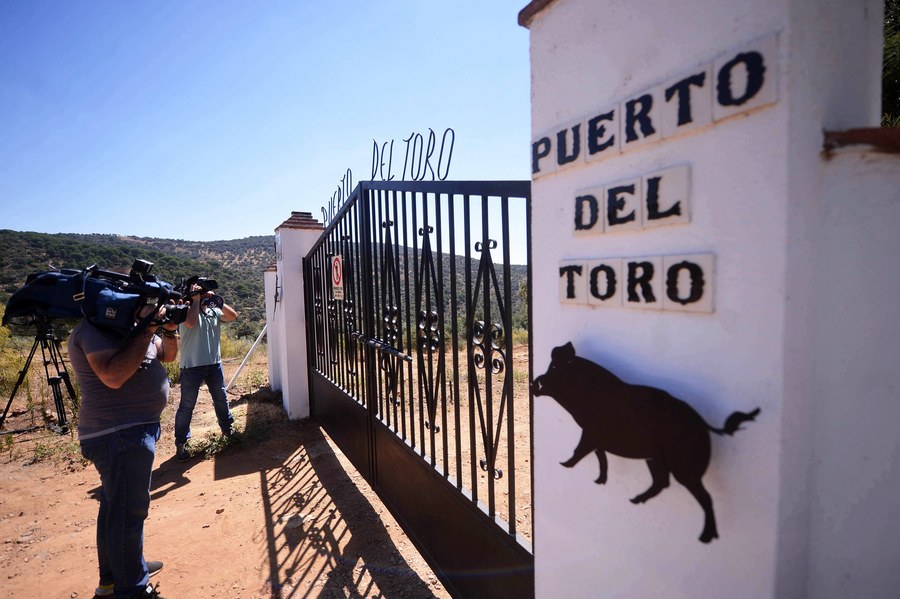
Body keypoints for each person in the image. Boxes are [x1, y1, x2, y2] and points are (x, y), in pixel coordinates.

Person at [68, 302, 179, 599]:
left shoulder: (131, 330)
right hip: (118, 434)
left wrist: (168, 330)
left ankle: (113, 579)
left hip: (131, 431)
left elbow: (168, 355)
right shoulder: (94, 331)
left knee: (115, 508)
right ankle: (132, 587)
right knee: (129, 512)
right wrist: (146, 331)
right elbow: (113, 376)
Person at [174, 285, 238, 462]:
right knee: (187, 406)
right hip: (192, 367)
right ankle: (181, 443)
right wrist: (195, 300)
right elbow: (191, 323)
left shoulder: (213, 311)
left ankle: (227, 429)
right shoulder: (185, 311)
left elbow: (233, 316)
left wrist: (218, 300)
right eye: (201, 293)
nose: (205, 296)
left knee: (221, 398)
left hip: (214, 364)